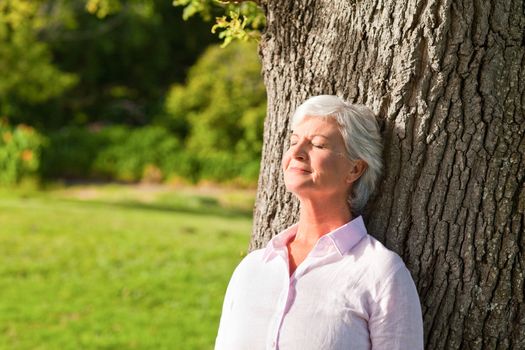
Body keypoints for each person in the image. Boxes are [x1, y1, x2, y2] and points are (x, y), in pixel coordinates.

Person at [215, 95, 424, 349]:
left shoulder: (381, 274)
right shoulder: (252, 268)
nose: (297, 153)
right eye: (293, 141)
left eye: (318, 144)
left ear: (355, 169)